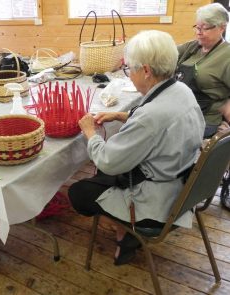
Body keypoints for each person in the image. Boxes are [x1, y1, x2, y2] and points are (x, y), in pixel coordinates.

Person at [68, 30, 205, 266]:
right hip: (182, 183)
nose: (129, 75)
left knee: (78, 192)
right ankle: (124, 231)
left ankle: (127, 231)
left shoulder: (150, 116)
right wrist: (122, 115)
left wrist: (90, 132)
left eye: (129, 69)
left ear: (146, 71)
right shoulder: (181, 90)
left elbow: (108, 160)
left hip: (158, 202)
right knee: (106, 173)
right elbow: (158, 118)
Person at [176, 3, 230, 138]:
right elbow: (166, 54)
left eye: (205, 28)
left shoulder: (227, 55)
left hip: (204, 119)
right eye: (197, 27)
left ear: (222, 27)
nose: (199, 32)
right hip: (179, 111)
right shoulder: (192, 47)